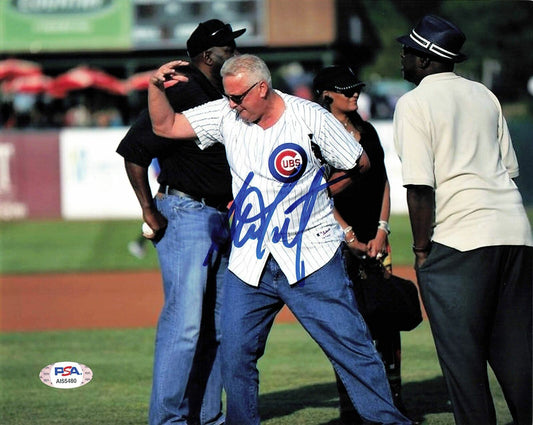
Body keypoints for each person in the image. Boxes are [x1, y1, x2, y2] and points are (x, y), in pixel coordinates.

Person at [147, 53, 412, 425]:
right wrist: (155, 87)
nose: (231, 104)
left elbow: (359, 162)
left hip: (312, 258)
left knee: (351, 348)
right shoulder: (228, 115)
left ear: (262, 88)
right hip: (250, 262)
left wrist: (319, 193)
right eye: (227, 96)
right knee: (236, 355)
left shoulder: (310, 117)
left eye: (238, 97)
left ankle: (389, 421)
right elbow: (166, 126)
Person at [393, 14, 532, 425]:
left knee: (463, 361)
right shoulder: (484, 94)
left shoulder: (414, 102)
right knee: (517, 355)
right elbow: (510, 169)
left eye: (408, 52)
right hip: (515, 232)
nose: (402, 58)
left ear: (424, 61)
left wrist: (421, 252)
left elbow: (419, 186)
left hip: (460, 241)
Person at [116, 19, 245, 425]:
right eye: (228, 48)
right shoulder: (185, 87)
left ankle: (207, 417)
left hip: (218, 217)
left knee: (216, 328)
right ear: (208, 56)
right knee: (186, 326)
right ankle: (168, 421)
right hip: (187, 213)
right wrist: (148, 210)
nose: (235, 53)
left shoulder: (211, 90)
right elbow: (135, 148)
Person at [313, 66, 415, 425]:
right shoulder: (314, 136)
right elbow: (317, 196)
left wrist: (382, 231)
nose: (355, 94)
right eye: (347, 90)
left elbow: (384, 181)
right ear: (326, 95)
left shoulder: (368, 130)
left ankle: (395, 401)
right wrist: (349, 237)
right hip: (335, 245)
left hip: (375, 242)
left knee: (385, 320)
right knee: (347, 327)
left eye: (356, 88)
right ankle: (350, 408)